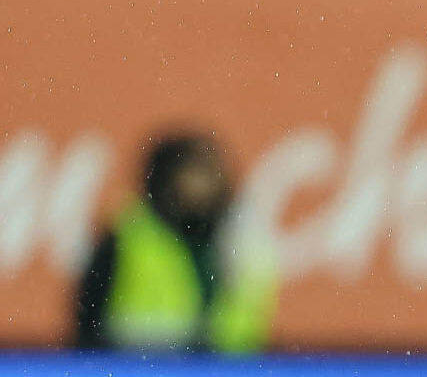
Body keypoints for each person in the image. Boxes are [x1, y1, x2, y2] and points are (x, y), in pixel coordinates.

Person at [76, 133, 277, 352]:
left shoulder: (239, 237)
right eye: (193, 173)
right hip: (138, 364)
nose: (203, 186)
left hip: (224, 367)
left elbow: (250, 323)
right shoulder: (129, 234)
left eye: (208, 173)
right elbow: (88, 318)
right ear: (165, 179)